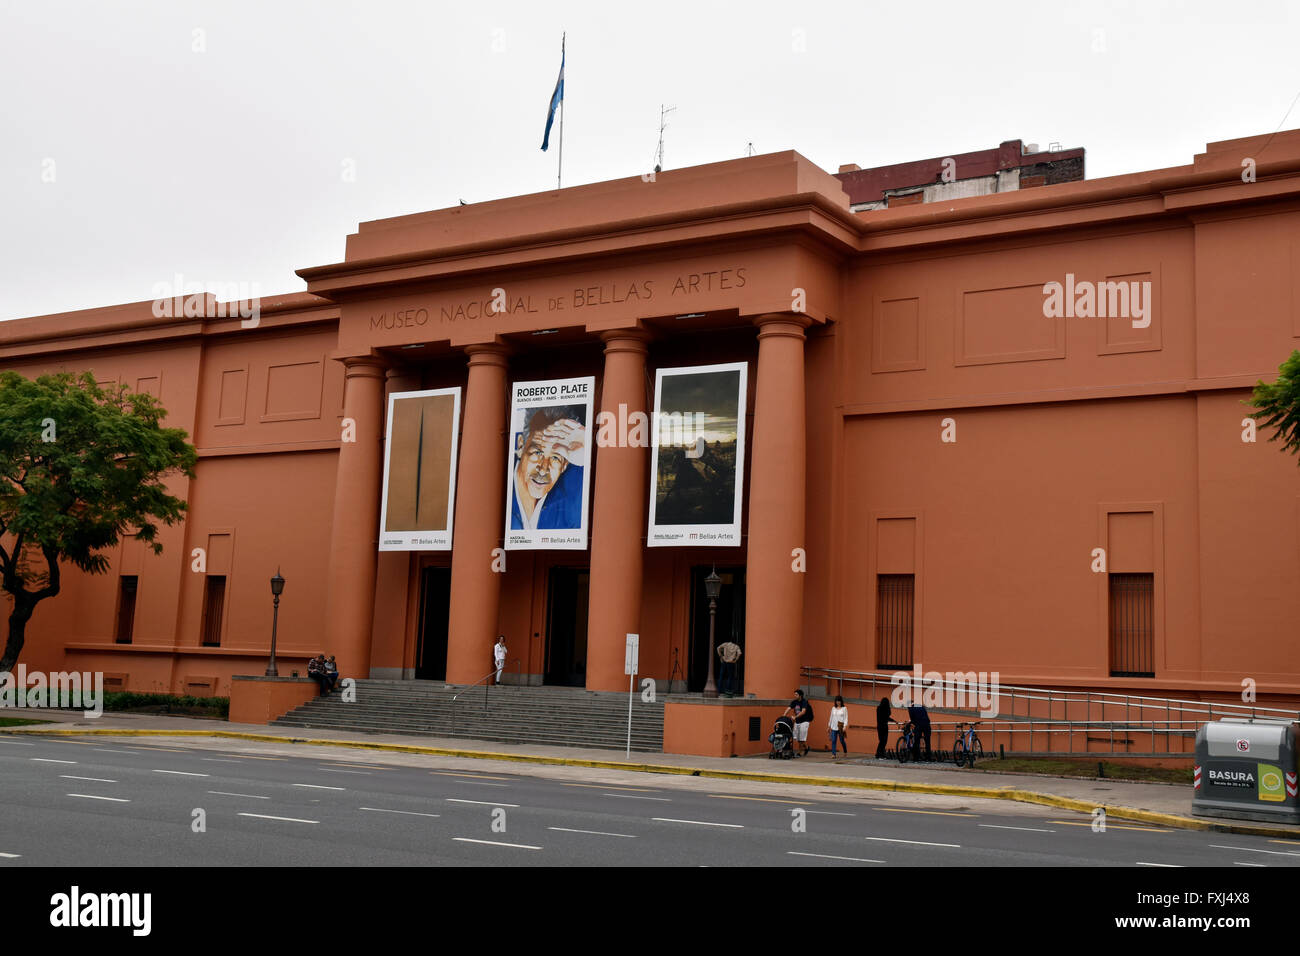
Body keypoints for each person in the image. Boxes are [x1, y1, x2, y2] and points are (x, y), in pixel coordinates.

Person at [509, 408, 586, 531]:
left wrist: (588, 453)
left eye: (555, 457)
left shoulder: (577, 494)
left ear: (565, 464)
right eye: (537, 452)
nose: (543, 470)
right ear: (521, 445)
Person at [789, 689, 814, 756]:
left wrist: (795, 717)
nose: (795, 695)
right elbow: (789, 708)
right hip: (798, 721)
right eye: (795, 694)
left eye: (796, 694)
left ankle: (799, 752)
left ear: (800, 695)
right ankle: (806, 748)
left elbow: (803, 711)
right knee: (798, 738)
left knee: (801, 738)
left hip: (805, 721)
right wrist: (783, 715)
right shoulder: (794, 702)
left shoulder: (804, 702)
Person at [876, 695, 893, 759]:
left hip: (879, 727)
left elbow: (884, 717)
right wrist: (894, 721)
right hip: (884, 727)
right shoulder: (886, 710)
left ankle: (879, 754)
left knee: (881, 741)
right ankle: (879, 754)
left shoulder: (878, 708)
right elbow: (887, 717)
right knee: (884, 742)